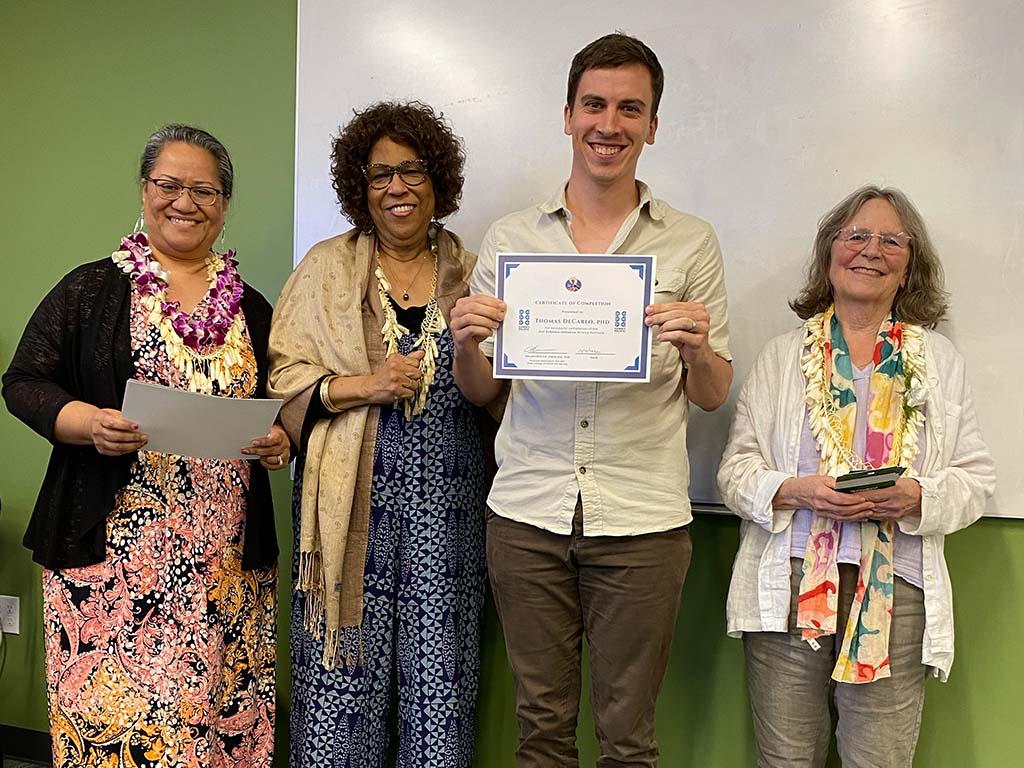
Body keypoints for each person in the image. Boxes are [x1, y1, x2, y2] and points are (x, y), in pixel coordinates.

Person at [450, 33, 733, 767]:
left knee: (627, 737)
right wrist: (465, 342)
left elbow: (712, 394)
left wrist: (697, 348)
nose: (611, 124)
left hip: (642, 518)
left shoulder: (691, 243)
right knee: (540, 729)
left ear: (652, 125)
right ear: (569, 115)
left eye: (630, 109)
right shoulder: (511, 238)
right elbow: (482, 390)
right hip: (527, 513)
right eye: (596, 105)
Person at [2, 124, 290, 767]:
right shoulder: (90, 290)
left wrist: (281, 440)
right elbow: (22, 382)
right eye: (169, 184)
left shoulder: (253, 307)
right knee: (121, 728)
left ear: (224, 204)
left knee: (213, 718)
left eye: (205, 190)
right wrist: (88, 422)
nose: (185, 201)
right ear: (144, 189)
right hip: (110, 558)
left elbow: (286, 402)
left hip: (224, 562)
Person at [717, 185, 996, 768]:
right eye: (856, 236)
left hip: (898, 590)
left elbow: (975, 480)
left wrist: (915, 496)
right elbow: (735, 472)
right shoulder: (780, 356)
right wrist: (800, 491)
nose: (872, 250)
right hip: (792, 587)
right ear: (829, 254)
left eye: (891, 240)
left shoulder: (938, 361)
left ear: (908, 267)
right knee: (787, 760)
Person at [268, 101, 487, 767]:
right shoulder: (326, 268)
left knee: (440, 694)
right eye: (379, 175)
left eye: (412, 171)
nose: (397, 188)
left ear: (439, 181)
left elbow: (505, 388)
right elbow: (283, 375)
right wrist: (361, 385)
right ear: (359, 189)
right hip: (346, 516)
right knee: (339, 692)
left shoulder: (477, 274)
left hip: (449, 521)